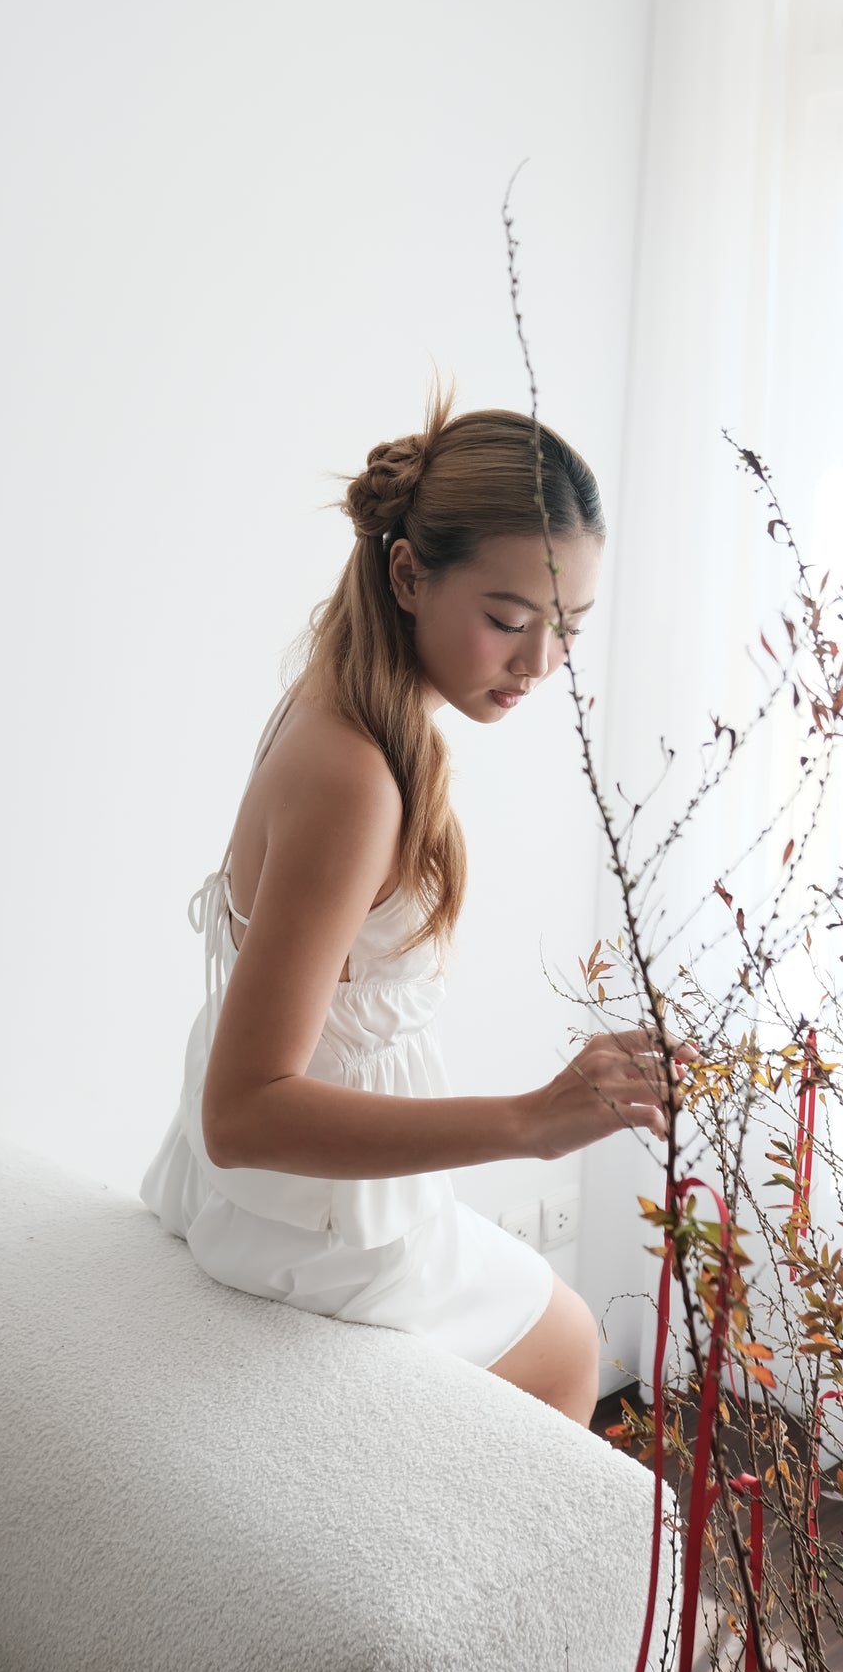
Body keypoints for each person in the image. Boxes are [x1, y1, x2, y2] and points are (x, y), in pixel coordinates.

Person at [140, 376, 679, 1427]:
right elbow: (243, 1109)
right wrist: (530, 1121)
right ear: (406, 573)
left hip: (269, 1199)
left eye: (568, 626)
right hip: (295, 1222)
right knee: (570, 1344)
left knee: (551, 1325)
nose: (539, 663)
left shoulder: (343, 698)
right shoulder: (356, 776)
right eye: (508, 618)